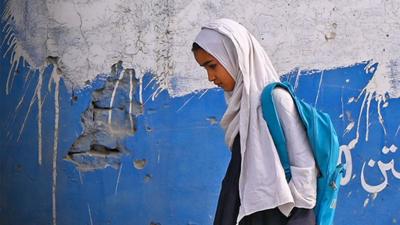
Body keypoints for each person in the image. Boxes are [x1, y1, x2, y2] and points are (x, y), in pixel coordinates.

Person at [191, 18, 318, 225]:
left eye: (212, 66)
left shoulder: (276, 99)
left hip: (277, 214)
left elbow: (303, 165)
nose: (210, 77)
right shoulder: (243, 106)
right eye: (205, 69)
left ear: (235, 56)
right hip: (246, 208)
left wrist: (297, 216)